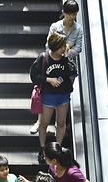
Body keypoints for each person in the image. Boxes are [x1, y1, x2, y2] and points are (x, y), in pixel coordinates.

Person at [30, 33, 77, 161]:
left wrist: (67, 58)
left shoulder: (65, 59)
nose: (65, 48)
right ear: (55, 46)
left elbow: (73, 72)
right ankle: (42, 148)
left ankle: (58, 148)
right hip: (48, 95)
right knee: (44, 123)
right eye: (62, 46)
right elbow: (34, 76)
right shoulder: (43, 58)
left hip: (63, 95)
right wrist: (48, 80)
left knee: (61, 123)